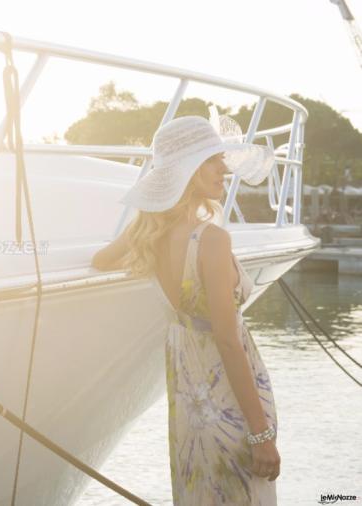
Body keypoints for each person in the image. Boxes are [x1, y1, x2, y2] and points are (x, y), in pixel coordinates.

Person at [91, 115, 280, 505]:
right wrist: (260, 435)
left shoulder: (149, 235)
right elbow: (228, 341)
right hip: (231, 410)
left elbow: (101, 260)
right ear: (188, 171)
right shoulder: (211, 240)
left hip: (191, 416)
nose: (224, 168)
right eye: (212, 159)